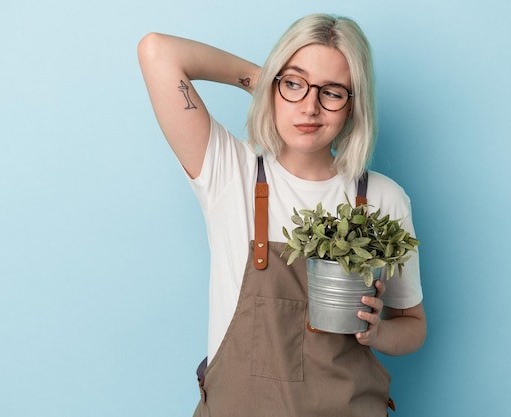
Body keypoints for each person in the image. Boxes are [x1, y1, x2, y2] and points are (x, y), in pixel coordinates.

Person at [138, 13, 426, 417]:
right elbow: (157, 51)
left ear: (352, 105)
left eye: (331, 92)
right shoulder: (230, 172)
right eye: (294, 83)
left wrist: (379, 333)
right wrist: (263, 80)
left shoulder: (383, 198)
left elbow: (413, 326)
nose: (309, 107)